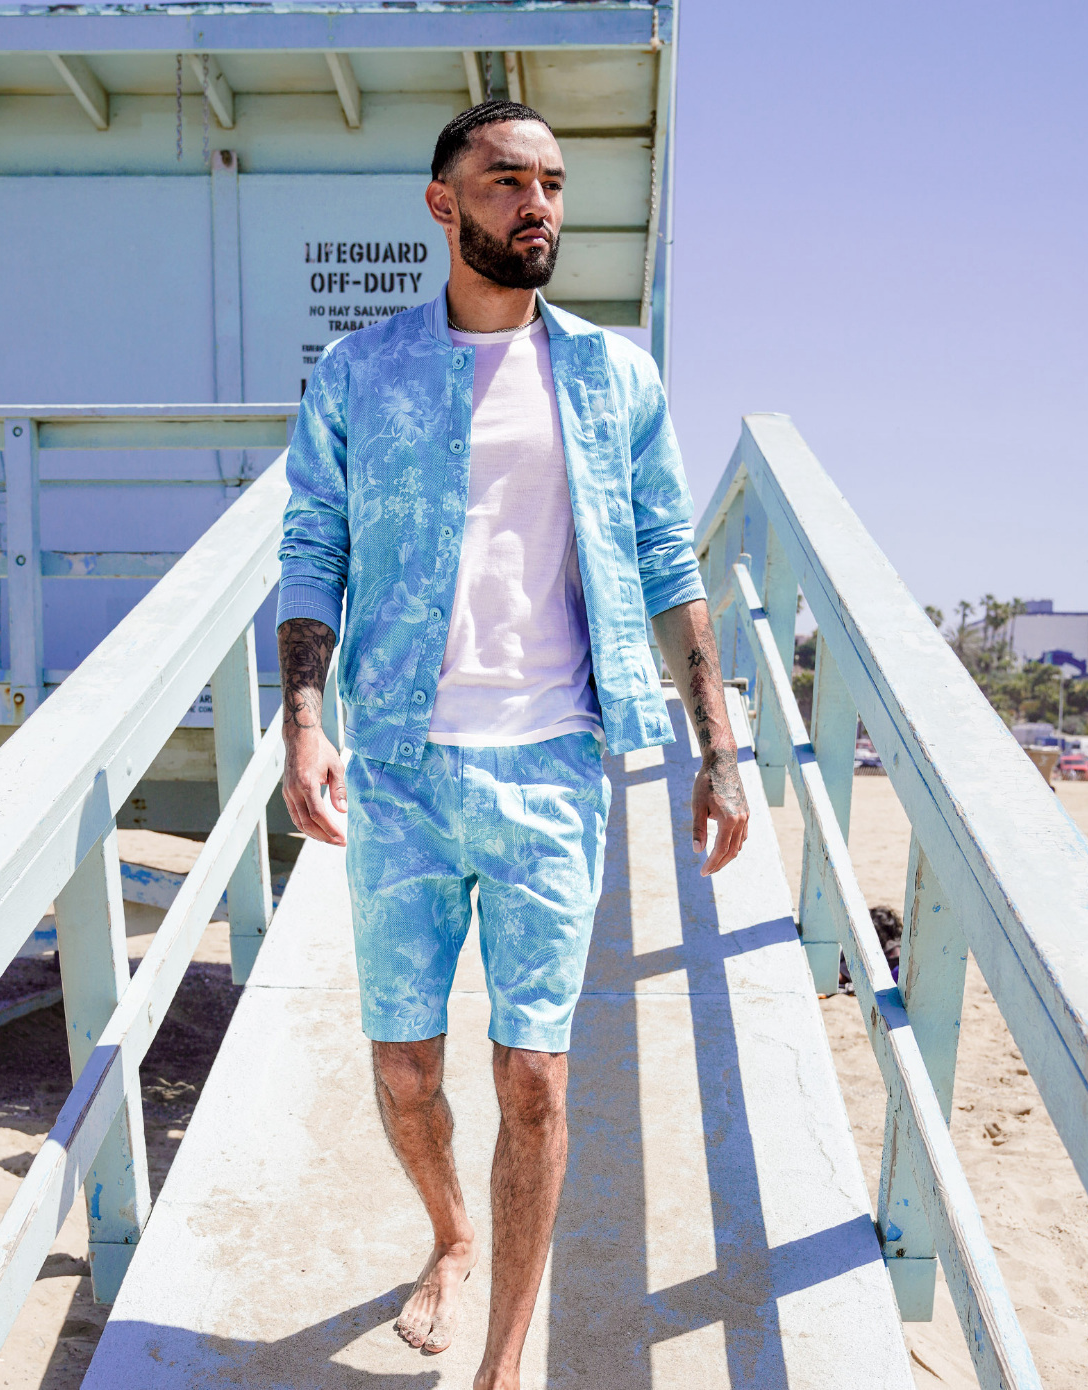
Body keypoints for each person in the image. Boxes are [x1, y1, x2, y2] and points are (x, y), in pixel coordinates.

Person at [276, 99, 749, 1390]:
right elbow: (312, 544)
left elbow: (664, 555)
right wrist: (305, 717)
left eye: (549, 182)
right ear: (443, 204)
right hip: (400, 768)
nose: (535, 203)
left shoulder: (612, 375)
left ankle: (499, 1365)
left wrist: (717, 741)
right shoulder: (359, 372)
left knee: (532, 1075)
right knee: (406, 1069)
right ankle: (447, 1231)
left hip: (552, 760)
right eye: (503, 181)